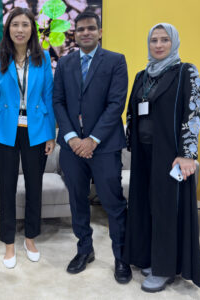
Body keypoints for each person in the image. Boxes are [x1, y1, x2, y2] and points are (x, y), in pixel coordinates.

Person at [123, 23, 200, 292]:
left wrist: (187, 154)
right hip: (144, 153)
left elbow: (193, 113)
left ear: (174, 43)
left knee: (167, 210)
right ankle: (149, 257)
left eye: (164, 40)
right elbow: (133, 112)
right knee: (146, 205)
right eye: (154, 40)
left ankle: (165, 268)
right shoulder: (142, 75)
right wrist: (130, 141)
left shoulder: (185, 72)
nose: (158, 45)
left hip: (171, 156)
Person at [52, 11, 132, 283]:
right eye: (81, 29)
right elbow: (58, 102)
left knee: (112, 202)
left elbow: (116, 104)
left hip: (105, 146)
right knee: (77, 200)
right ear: (74, 33)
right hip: (72, 148)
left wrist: (92, 140)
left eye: (91, 28)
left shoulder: (115, 61)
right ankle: (84, 249)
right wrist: (73, 138)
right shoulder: (64, 63)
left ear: (99, 32)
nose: (86, 33)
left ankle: (122, 256)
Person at [0, 7, 55, 268]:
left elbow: (47, 96)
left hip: (36, 130)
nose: (19, 29)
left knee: (34, 186)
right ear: (8, 29)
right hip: (5, 130)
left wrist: (50, 134)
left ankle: (30, 238)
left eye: (25, 24)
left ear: (32, 29)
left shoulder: (43, 57)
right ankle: (8, 243)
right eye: (15, 24)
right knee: (6, 187)